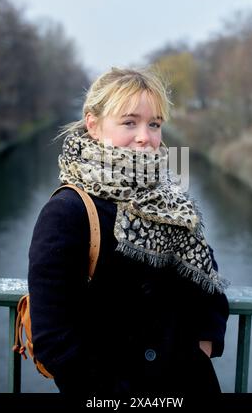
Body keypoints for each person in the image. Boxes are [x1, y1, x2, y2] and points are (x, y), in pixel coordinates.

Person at [28, 66, 229, 397]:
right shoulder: (68, 211)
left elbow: (209, 290)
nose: (144, 137)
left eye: (154, 124)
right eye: (129, 122)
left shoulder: (172, 201)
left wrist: (200, 350)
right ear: (93, 124)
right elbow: (53, 338)